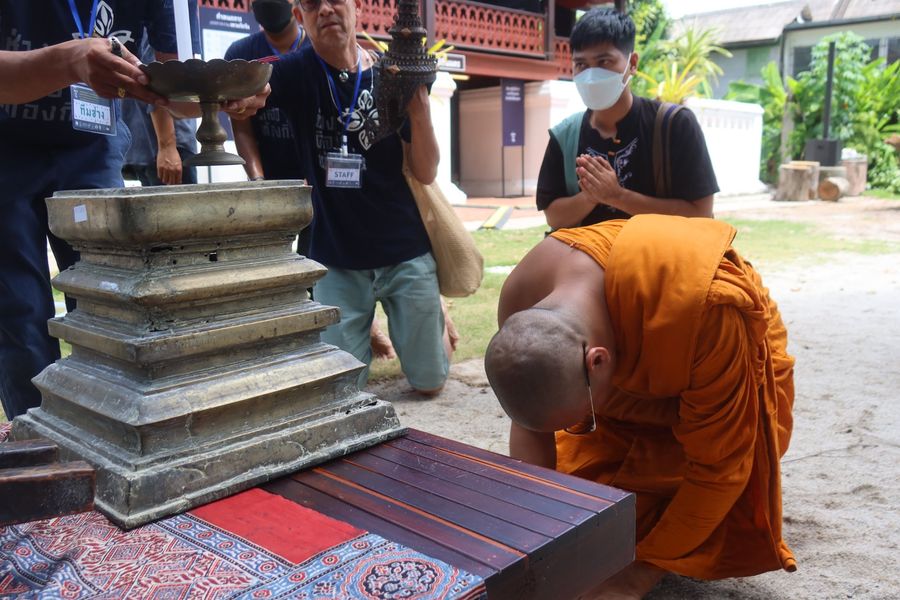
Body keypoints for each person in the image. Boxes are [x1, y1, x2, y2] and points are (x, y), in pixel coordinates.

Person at [485, 215, 796, 598]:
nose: (581, 427)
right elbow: (532, 425)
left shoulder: (706, 312)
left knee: (727, 498)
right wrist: (537, 534)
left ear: (597, 361)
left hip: (708, 355)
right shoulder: (521, 297)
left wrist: (635, 576)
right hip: (623, 371)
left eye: (584, 421)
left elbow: (720, 468)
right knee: (592, 512)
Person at [0, 0, 266, 420]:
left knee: (111, 304)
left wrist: (223, 91)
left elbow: (169, 90)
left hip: (92, 143)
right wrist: (68, 61)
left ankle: (112, 428)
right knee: (19, 311)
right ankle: (36, 435)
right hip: (6, 144)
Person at [264, 0, 453, 393]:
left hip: (403, 249)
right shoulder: (294, 73)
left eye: (336, 0)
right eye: (312, 4)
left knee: (430, 382)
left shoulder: (394, 72)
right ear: (300, 17)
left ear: (356, 8)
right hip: (337, 255)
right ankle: (369, 321)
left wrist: (420, 110)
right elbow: (246, 95)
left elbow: (426, 172)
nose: (325, 10)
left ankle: (433, 311)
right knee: (343, 389)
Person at [536, 8, 718, 230]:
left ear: (632, 63)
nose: (591, 75)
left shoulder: (674, 124)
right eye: (581, 64)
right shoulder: (565, 136)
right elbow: (554, 218)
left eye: (604, 61)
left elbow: (700, 213)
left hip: (657, 249)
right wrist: (590, 196)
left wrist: (618, 196)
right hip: (588, 249)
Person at [123, 34, 199, 186]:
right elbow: (158, 82)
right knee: (181, 201)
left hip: (149, 144)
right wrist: (167, 146)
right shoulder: (159, 29)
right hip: (166, 145)